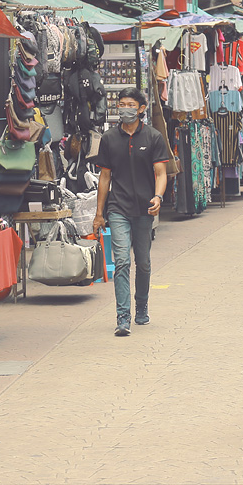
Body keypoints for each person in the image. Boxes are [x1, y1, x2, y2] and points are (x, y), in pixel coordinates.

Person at [93, 88, 170, 336]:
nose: (124, 108)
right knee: (122, 261)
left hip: (145, 209)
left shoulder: (153, 137)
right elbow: (104, 178)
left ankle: (142, 306)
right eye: (121, 104)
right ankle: (122, 317)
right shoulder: (109, 139)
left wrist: (158, 196)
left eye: (130, 104)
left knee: (144, 263)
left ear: (141, 108)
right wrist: (99, 213)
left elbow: (161, 173)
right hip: (118, 208)